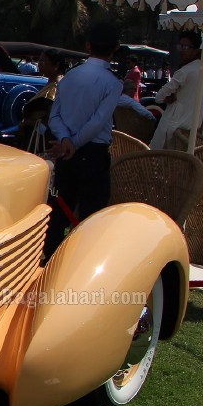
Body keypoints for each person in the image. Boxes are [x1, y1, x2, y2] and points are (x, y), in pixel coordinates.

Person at [43, 21, 124, 259]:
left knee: (59, 210)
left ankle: (50, 258)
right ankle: (82, 261)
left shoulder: (70, 76)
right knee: (91, 213)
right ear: (115, 48)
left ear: (88, 45)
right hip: (92, 152)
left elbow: (54, 115)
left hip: (66, 150)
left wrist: (66, 139)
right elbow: (98, 121)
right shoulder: (112, 82)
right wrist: (74, 142)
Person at [149, 32, 203, 149]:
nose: (181, 50)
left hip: (174, 127)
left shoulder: (184, 72)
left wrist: (170, 97)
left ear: (195, 50)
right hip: (191, 127)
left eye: (186, 47)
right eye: (180, 46)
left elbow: (159, 97)